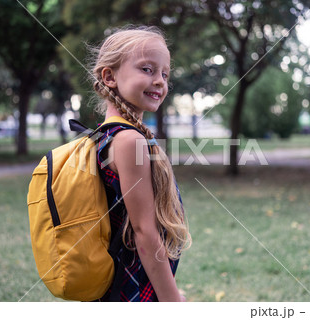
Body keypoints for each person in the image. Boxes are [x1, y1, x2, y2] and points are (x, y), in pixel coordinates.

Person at [87, 25, 191, 302]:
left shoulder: (105, 133)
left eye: (164, 74)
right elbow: (144, 232)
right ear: (109, 77)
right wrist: (172, 299)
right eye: (147, 70)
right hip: (130, 284)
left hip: (120, 279)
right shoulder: (129, 140)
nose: (159, 81)